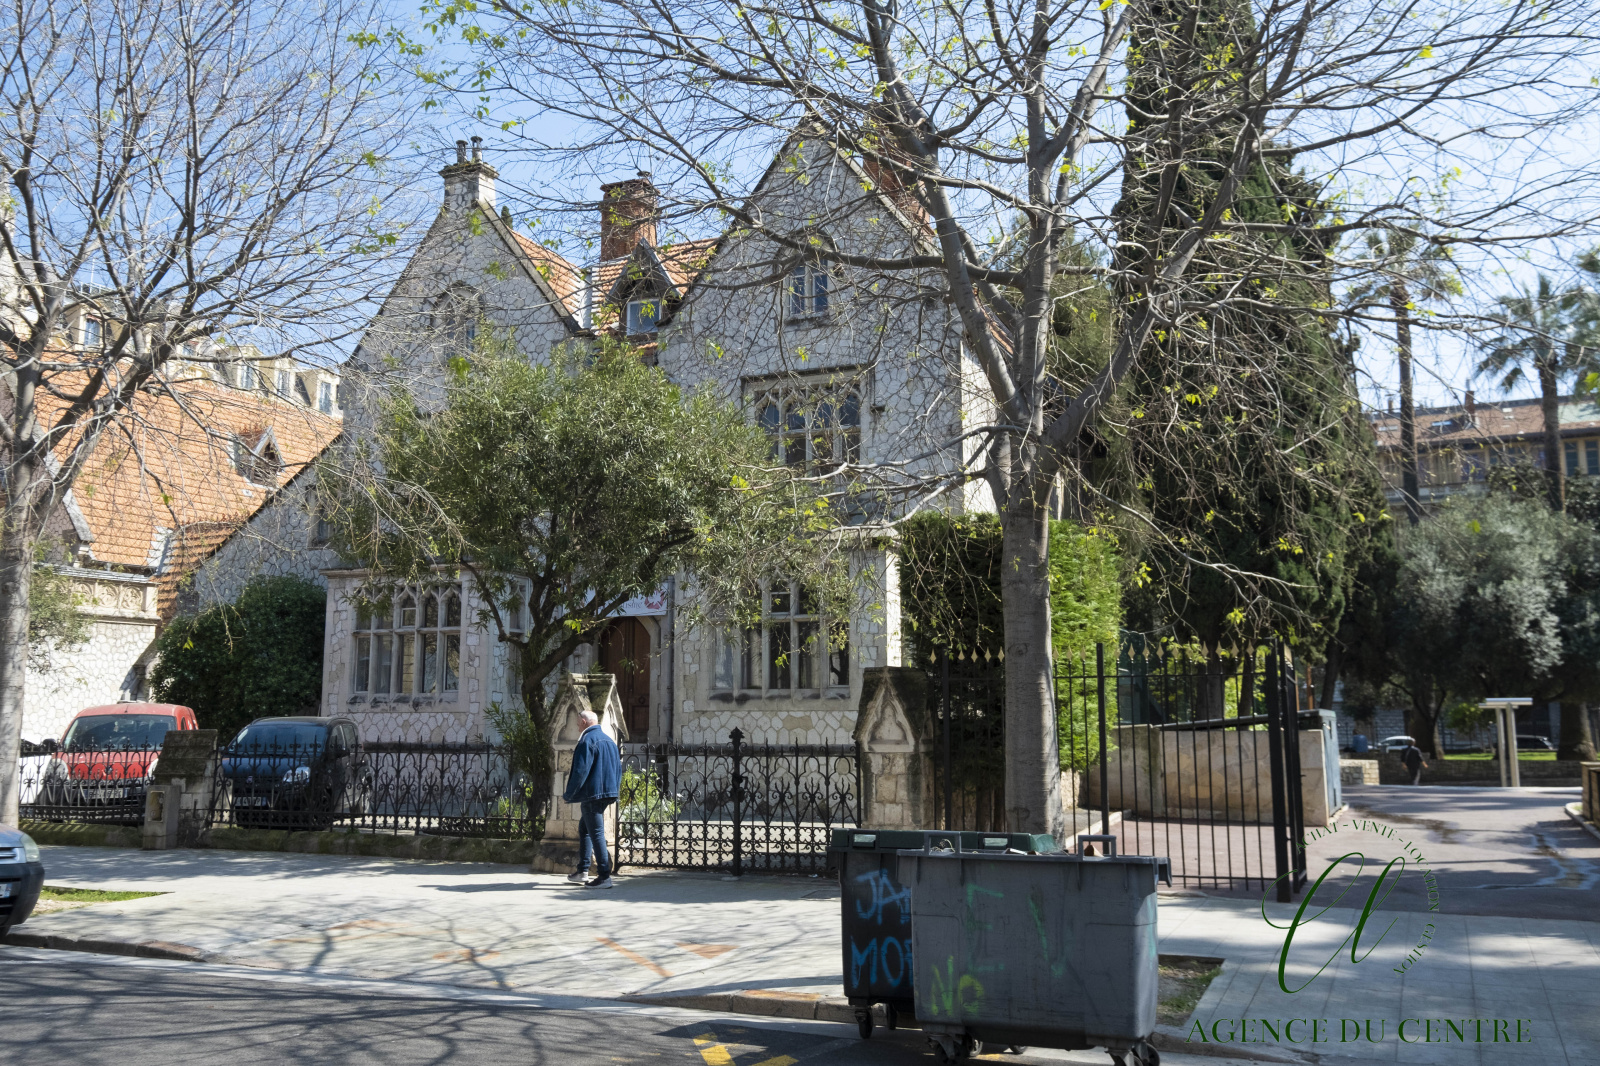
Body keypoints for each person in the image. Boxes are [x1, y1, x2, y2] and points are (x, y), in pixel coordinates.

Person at [562, 708, 621, 888]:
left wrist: (569, 793)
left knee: (595, 832)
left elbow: (580, 771)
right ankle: (583, 871)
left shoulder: (587, 740)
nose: (577, 726)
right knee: (585, 829)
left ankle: (604, 876)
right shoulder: (609, 741)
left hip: (592, 794)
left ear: (584, 722)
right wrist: (614, 790)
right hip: (606, 792)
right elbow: (618, 769)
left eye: (578, 723)